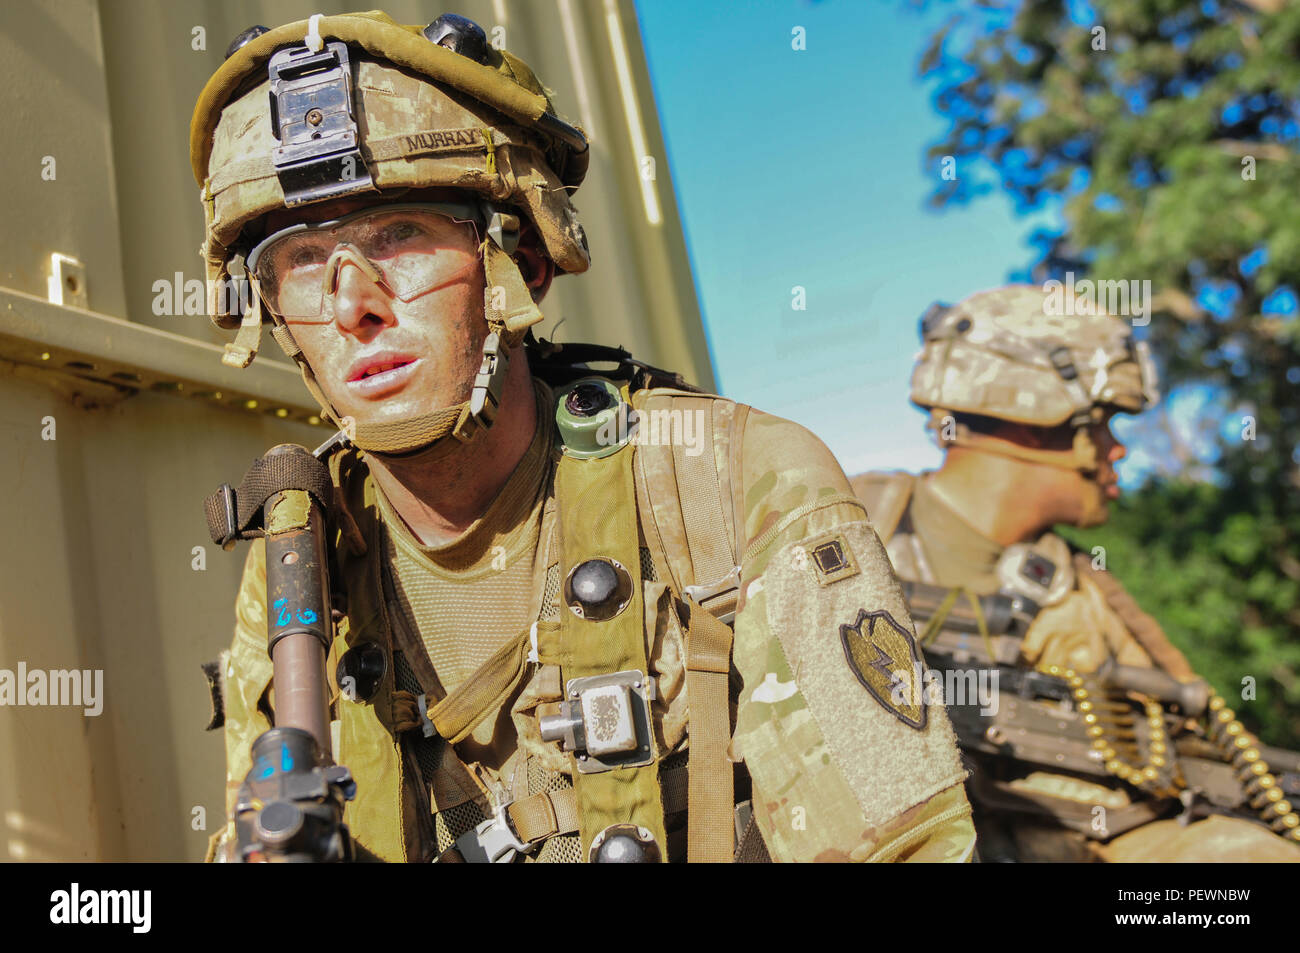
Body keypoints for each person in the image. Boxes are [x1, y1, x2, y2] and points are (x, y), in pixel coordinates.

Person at [194, 10, 975, 863]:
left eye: (401, 235)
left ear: (519, 262)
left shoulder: (733, 484)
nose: (354, 306)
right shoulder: (304, 551)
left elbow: (907, 851)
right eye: (304, 261)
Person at [851, 284, 1300, 862]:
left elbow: (1179, 764)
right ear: (1037, 419)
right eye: (1105, 423)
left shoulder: (1081, 589)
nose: (1117, 450)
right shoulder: (844, 528)